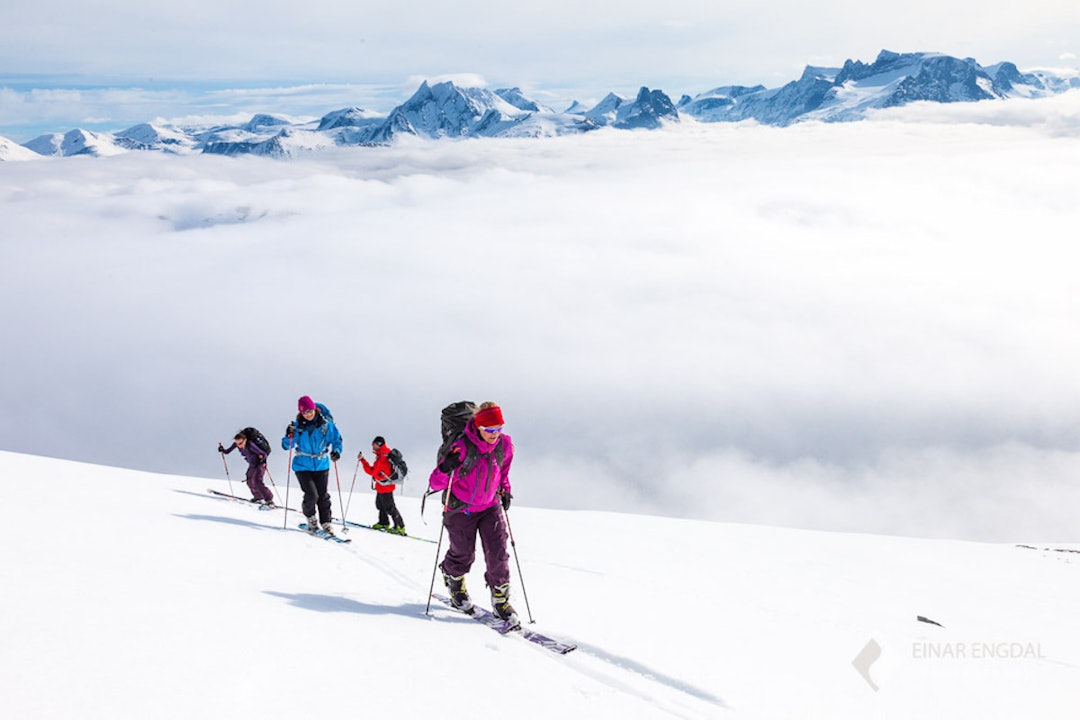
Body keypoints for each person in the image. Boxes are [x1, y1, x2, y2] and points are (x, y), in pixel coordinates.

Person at [428, 401, 517, 623]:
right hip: (461, 509)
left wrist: (505, 490)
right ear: (478, 426)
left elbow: (502, 471)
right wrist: (445, 467)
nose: (495, 434)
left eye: (499, 428)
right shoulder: (462, 447)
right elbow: (436, 483)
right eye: (489, 430)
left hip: (490, 506)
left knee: (498, 553)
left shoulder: (504, 445)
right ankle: (453, 579)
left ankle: (501, 601)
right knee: (463, 554)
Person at [282, 395, 342, 535]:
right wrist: (288, 435)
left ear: (314, 409)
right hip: (302, 465)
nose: (308, 414)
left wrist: (337, 452)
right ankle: (311, 518)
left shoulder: (326, 425)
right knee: (311, 494)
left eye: (309, 411)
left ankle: (326, 522)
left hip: (322, 464)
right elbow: (286, 446)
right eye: (304, 412)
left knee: (323, 495)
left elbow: (337, 440)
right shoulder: (297, 427)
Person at [359, 436, 406, 535]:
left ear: (379, 444)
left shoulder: (382, 457)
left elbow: (372, 471)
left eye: (374, 443)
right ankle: (383, 522)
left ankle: (400, 526)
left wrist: (363, 461)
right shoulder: (383, 454)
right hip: (382, 486)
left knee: (390, 507)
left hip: (385, 487)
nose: (372, 445)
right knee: (380, 505)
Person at [219, 431, 273, 506]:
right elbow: (228, 451)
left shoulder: (250, 445)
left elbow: (263, 454)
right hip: (252, 464)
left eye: (240, 443)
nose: (239, 445)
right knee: (249, 481)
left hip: (260, 464)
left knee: (257, 481)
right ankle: (258, 497)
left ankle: (269, 499)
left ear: (245, 440)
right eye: (237, 443)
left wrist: (262, 459)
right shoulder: (237, 444)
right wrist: (222, 450)